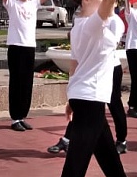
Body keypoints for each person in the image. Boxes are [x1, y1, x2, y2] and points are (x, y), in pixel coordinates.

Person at [56, 0, 137, 177]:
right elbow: (109, 6)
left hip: (87, 96)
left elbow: (76, 66)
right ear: (85, 0)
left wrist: (71, 98)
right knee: (77, 160)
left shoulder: (85, 25)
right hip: (90, 98)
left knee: (107, 153)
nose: (105, 0)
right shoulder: (90, 25)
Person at [0, 0, 72, 131]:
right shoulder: (11, 4)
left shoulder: (34, 4)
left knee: (27, 83)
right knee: (16, 82)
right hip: (16, 47)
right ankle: (14, 118)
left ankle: (22, 116)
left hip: (29, 47)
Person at [47, 12, 130, 156]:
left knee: (114, 104)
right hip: (92, 68)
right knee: (84, 104)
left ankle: (121, 141)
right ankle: (67, 139)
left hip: (110, 68)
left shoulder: (115, 21)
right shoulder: (92, 18)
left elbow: (110, 45)